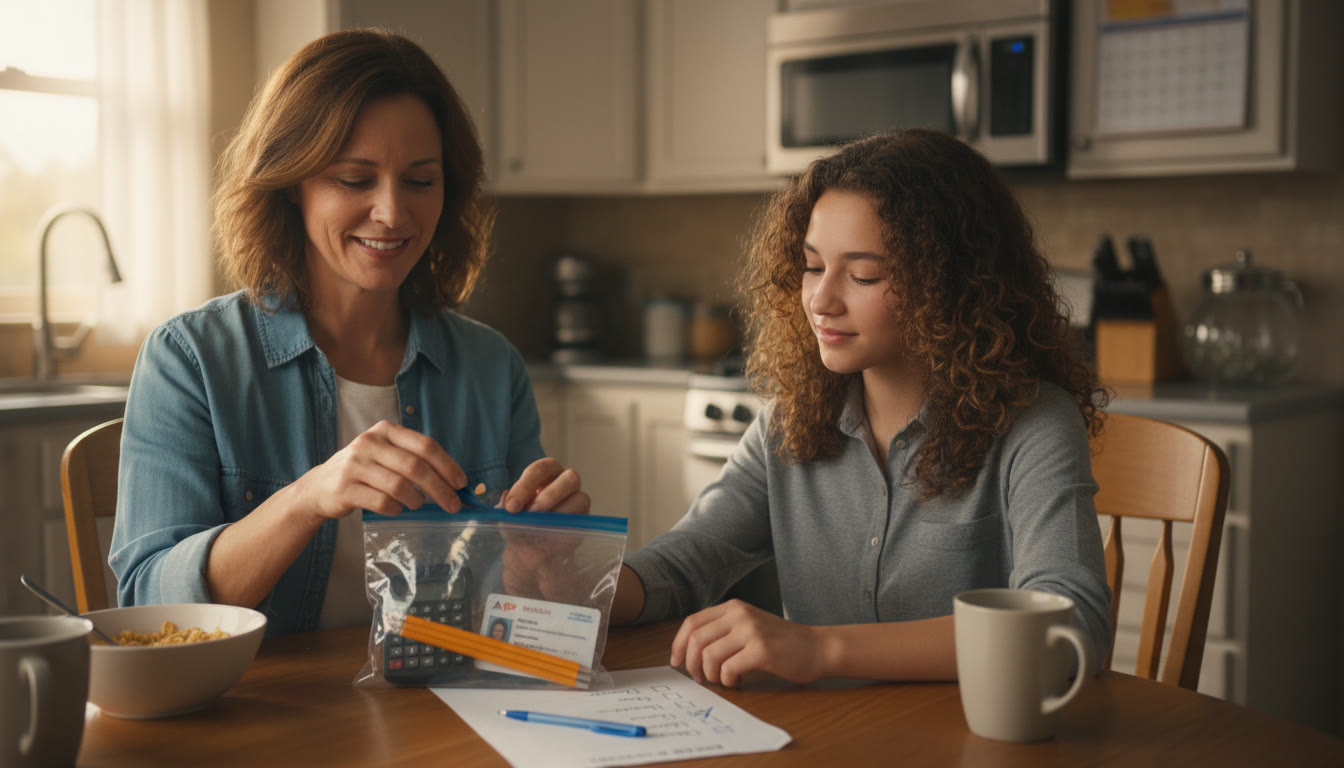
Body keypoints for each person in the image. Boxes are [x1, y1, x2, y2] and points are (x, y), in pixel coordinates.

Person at [109, 29, 588, 636]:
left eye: (420, 181)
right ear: (291, 183)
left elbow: (514, 617)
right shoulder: (189, 361)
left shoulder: (493, 368)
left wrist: (540, 562)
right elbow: (148, 608)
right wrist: (309, 497)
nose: (392, 212)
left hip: (440, 711)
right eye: (355, 179)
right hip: (266, 719)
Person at [610, 129, 1112, 687]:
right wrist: (574, 581)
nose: (821, 301)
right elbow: (682, 565)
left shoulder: (1034, 424)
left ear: (950, 284)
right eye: (812, 266)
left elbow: (1071, 629)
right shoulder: (790, 420)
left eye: (864, 275)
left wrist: (821, 649)